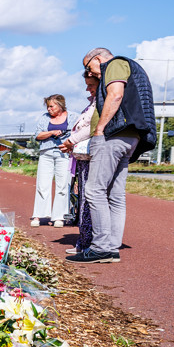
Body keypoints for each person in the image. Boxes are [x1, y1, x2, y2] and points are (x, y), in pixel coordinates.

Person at [68, 48, 157, 263]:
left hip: (113, 135)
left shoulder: (115, 64)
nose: (91, 73)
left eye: (89, 67)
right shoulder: (134, 68)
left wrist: (100, 129)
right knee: (115, 195)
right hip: (131, 137)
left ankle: (100, 247)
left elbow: (116, 95)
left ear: (97, 58)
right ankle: (112, 247)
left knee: (94, 190)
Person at [60, 72, 99, 253]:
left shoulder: (99, 103)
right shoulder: (92, 103)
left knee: (88, 198)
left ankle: (87, 243)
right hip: (83, 156)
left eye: (90, 85)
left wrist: (71, 141)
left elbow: (92, 127)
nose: (87, 89)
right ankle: (84, 241)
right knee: (83, 196)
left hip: (91, 155)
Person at [31, 95, 70, 227]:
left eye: (51, 106)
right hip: (46, 153)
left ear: (60, 105)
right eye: (47, 106)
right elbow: (37, 135)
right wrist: (52, 132)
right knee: (42, 184)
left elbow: (76, 133)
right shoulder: (44, 117)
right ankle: (39, 214)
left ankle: (59, 216)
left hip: (64, 153)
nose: (49, 109)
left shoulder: (73, 117)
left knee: (62, 185)